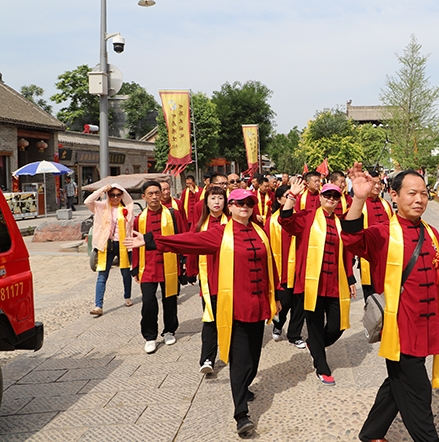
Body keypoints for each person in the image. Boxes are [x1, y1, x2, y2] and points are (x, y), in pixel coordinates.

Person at [342, 166, 439, 442]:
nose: (419, 199)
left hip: (428, 326)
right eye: (411, 193)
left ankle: (372, 433)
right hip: (400, 330)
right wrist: (358, 199)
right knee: (418, 391)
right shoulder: (383, 233)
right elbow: (351, 240)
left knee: (396, 384)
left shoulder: (432, 233)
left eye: (423, 193)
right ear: (394, 196)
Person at [126, 188, 280, 435]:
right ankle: (241, 415)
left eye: (249, 203)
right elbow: (188, 240)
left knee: (253, 358)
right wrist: (152, 240)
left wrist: (276, 296)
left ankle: (244, 387)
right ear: (230, 207)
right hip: (234, 307)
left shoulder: (260, 232)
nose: (244, 207)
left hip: (258, 306)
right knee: (240, 361)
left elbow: (270, 264)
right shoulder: (220, 234)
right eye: (239, 203)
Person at [280, 179, 356, 385]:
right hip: (311, 283)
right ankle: (322, 367)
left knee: (337, 325)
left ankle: (315, 344)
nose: (331, 199)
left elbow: (347, 253)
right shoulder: (307, 218)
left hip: (335, 282)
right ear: (320, 197)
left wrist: (350, 278)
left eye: (335, 196)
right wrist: (291, 197)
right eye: (327, 195)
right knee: (314, 325)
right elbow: (285, 220)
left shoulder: (340, 222)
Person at [131, 181, 187, 354]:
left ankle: (169, 330)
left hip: (170, 263)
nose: (155, 196)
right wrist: (135, 267)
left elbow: (183, 237)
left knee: (170, 300)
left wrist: (184, 262)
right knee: (148, 302)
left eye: (157, 193)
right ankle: (150, 336)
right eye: (150, 194)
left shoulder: (173, 214)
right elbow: (134, 243)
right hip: (148, 266)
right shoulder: (139, 219)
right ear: (143, 197)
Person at [184, 185, 229, 375]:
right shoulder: (200, 225)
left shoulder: (233, 223)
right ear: (206, 202)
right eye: (213, 198)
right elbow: (193, 246)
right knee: (210, 319)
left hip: (230, 280)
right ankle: (207, 358)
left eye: (220, 198)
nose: (217, 202)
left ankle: (230, 353)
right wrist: (191, 270)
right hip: (209, 280)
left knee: (231, 320)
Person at [85, 183, 135, 316]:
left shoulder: (126, 209)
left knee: (125, 272)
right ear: (108, 195)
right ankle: (98, 305)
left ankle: (127, 297)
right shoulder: (101, 207)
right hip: (106, 244)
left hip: (122, 243)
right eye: (112, 195)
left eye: (118, 195)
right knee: (102, 275)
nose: (115, 198)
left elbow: (131, 227)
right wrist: (102, 189)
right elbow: (87, 201)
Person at [269, 185, 305, 345]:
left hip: (299, 270)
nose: (291, 198)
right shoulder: (272, 221)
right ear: (278, 199)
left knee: (300, 305)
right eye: (287, 196)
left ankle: (294, 335)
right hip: (281, 270)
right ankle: (278, 325)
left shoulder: (300, 218)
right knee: (284, 304)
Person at [356, 169, 393, 299]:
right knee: (371, 296)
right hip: (367, 256)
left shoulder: (386, 204)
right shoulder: (360, 205)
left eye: (379, 183)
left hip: (387, 256)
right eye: (374, 183)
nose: (377, 186)